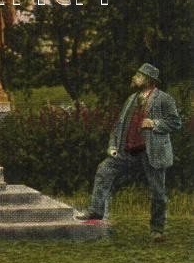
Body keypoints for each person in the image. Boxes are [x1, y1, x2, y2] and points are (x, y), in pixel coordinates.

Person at [76, 63, 181, 242]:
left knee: (158, 192)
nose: (134, 78)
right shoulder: (131, 99)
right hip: (128, 152)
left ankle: (157, 230)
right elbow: (119, 125)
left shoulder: (164, 99)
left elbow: (175, 122)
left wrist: (155, 124)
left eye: (138, 76)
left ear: (148, 80)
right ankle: (96, 211)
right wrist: (112, 146)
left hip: (152, 153)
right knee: (104, 169)